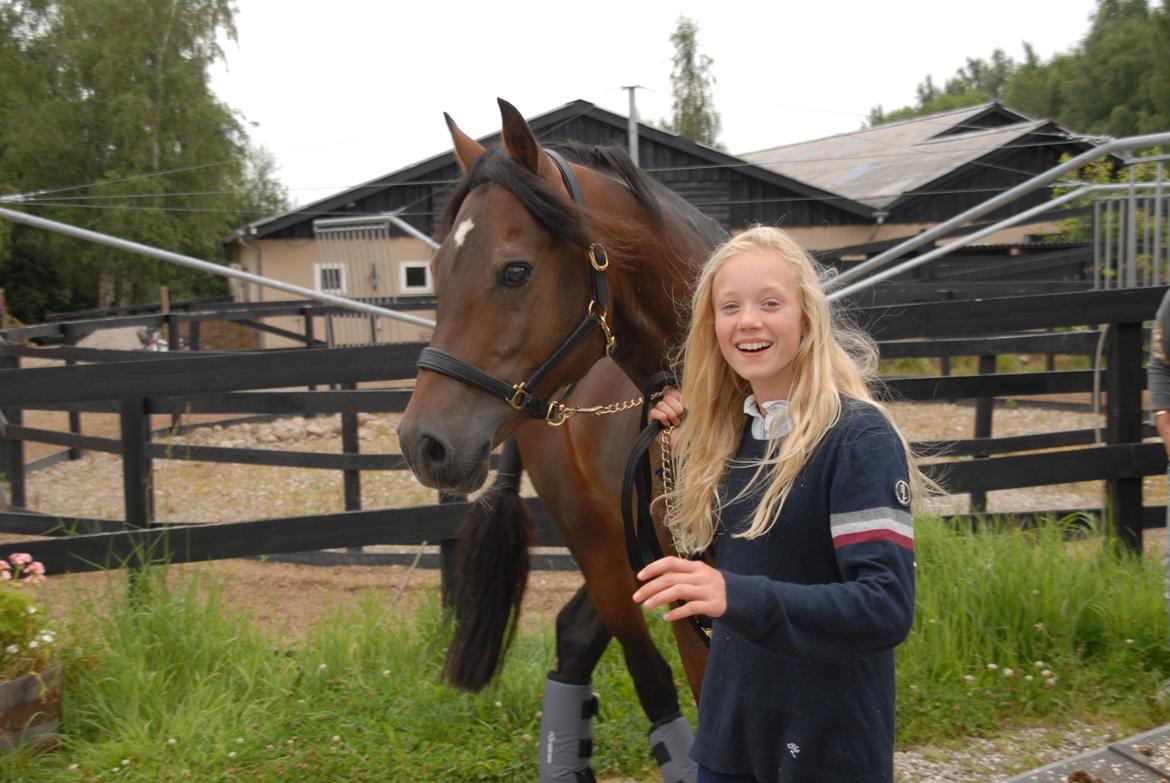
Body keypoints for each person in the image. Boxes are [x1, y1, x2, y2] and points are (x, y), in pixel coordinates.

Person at [633, 226, 927, 783]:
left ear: (807, 318)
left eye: (771, 302)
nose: (748, 320)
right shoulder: (726, 438)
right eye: (730, 306)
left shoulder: (857, 438)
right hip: (729, 742)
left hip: (826, 750)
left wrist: (731, 594)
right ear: (711, 326)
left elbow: (885, 607)